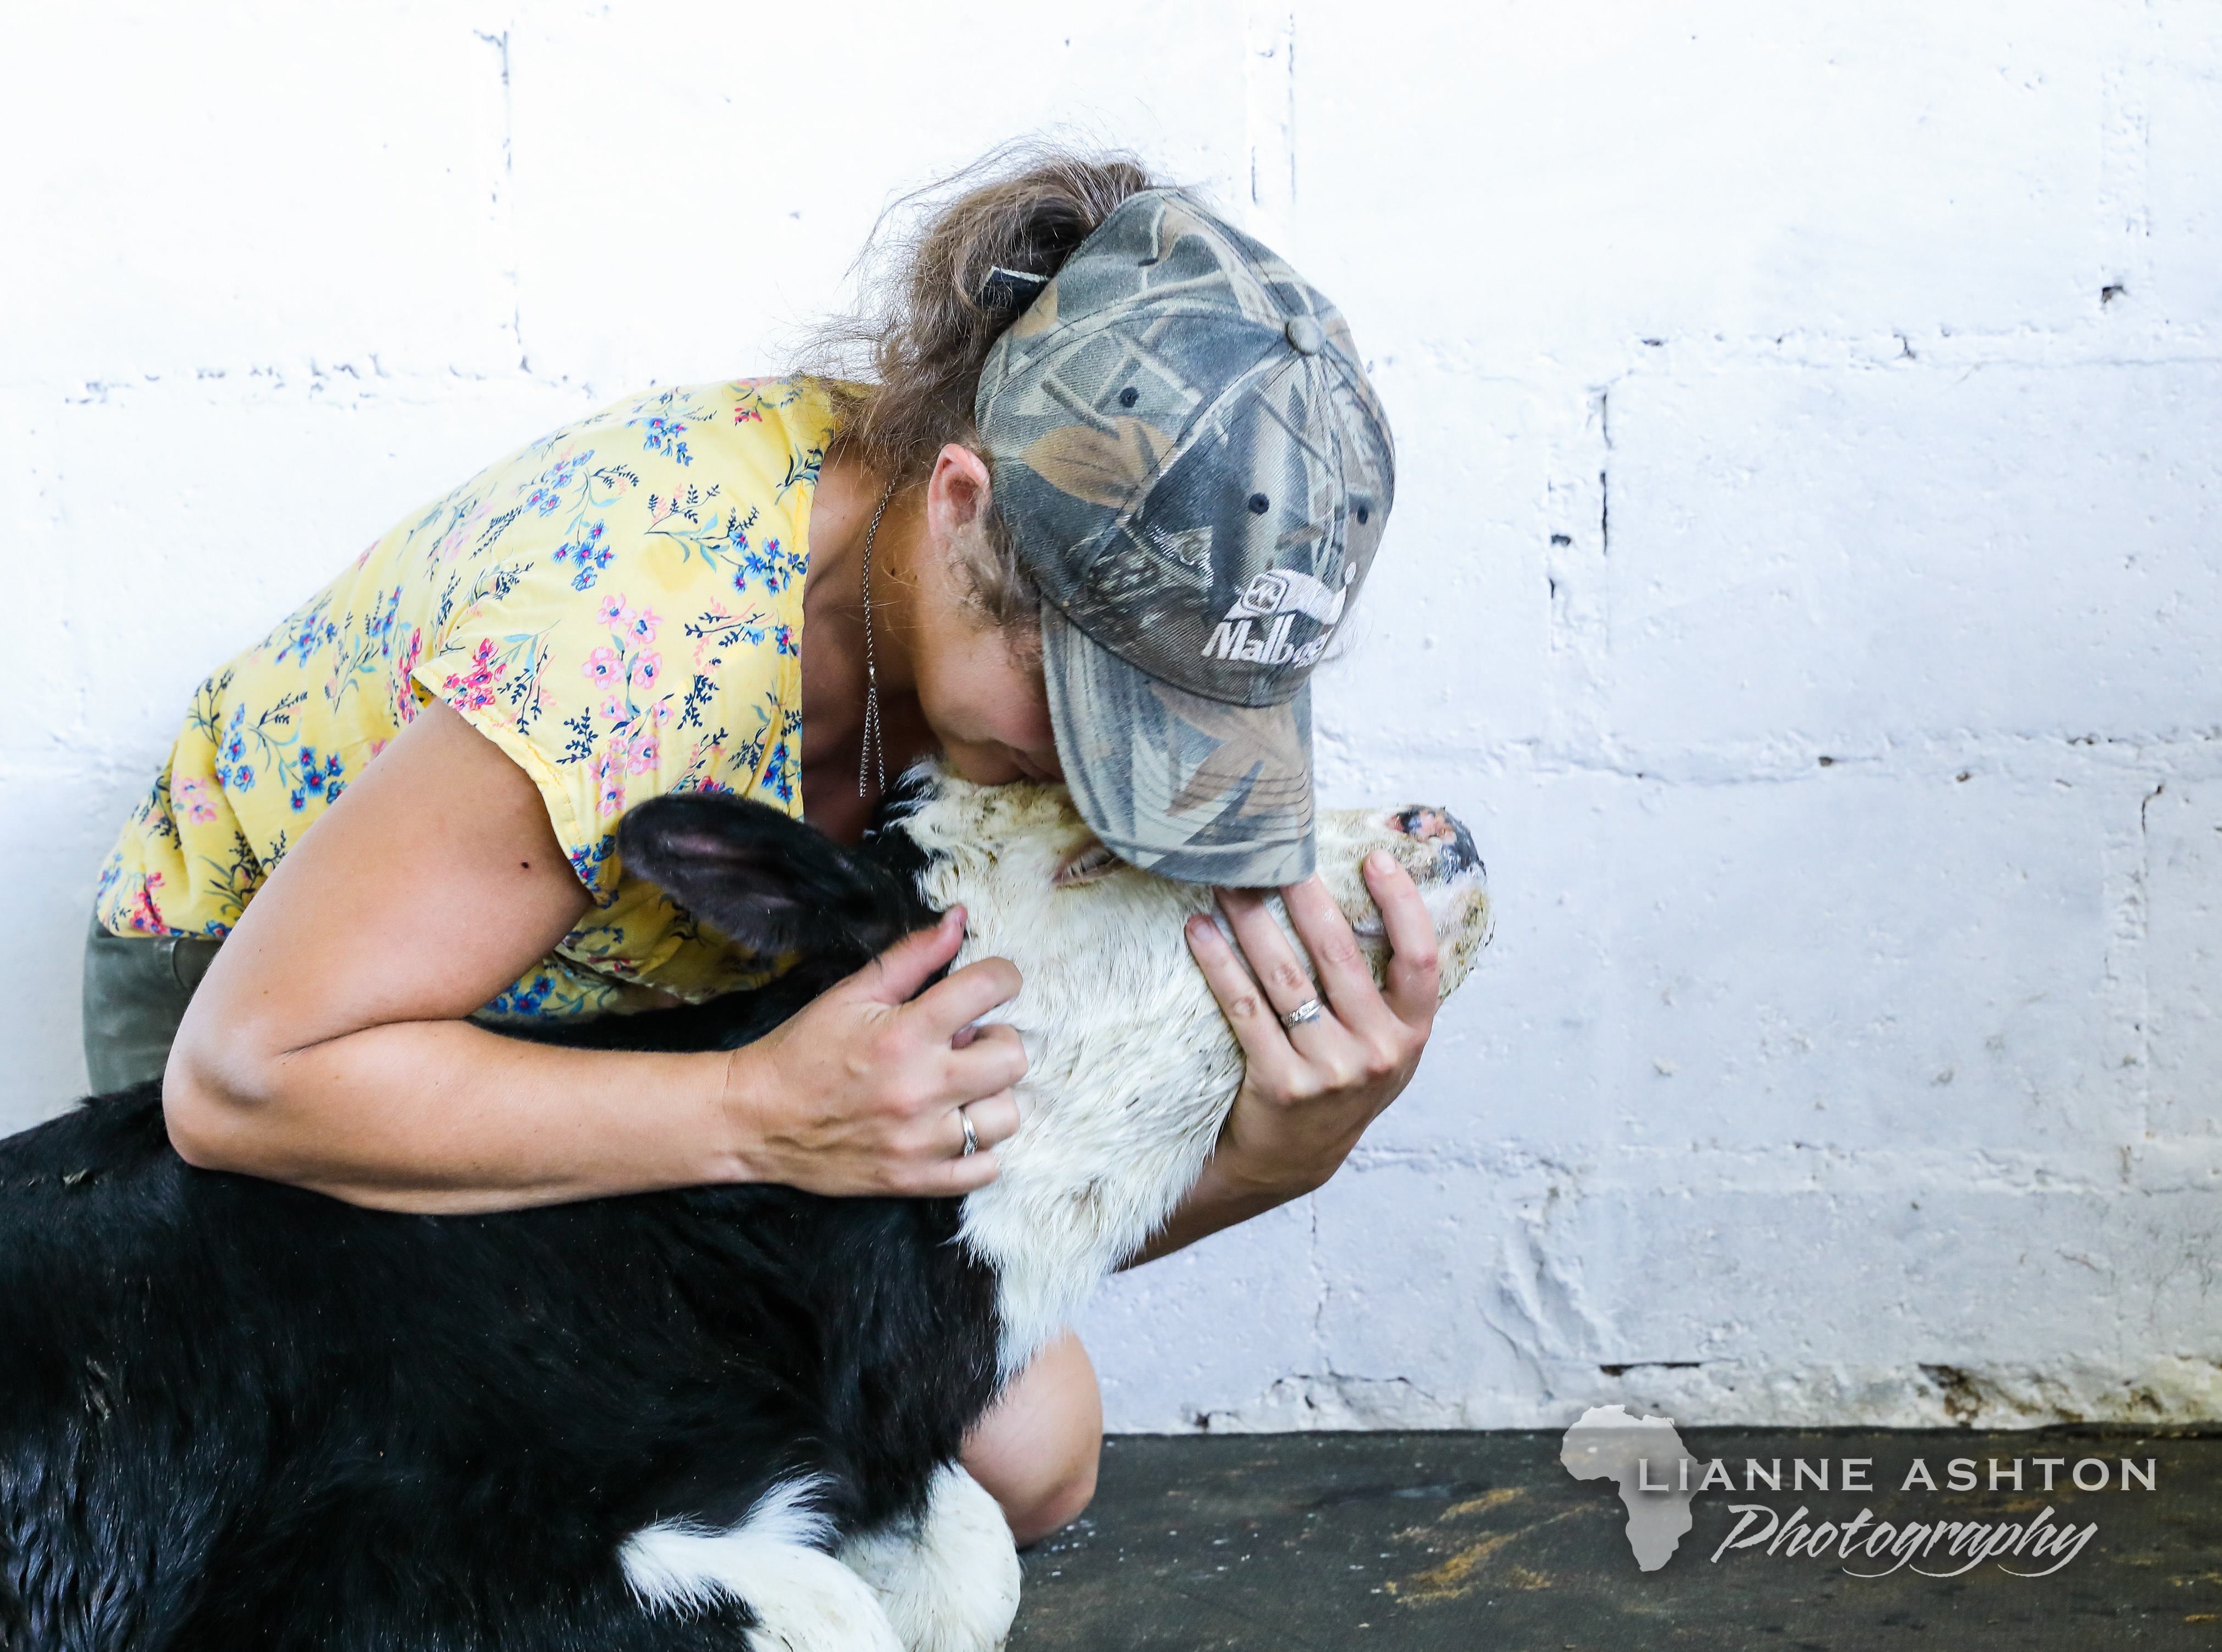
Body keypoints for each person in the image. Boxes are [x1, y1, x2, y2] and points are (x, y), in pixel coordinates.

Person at [83, 148, 1440, 1547]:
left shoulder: (953, 629)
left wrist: (1263, 1161)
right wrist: (754, 1113)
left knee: (1031, 1456)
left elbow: (967, 1259)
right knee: (516, 1507)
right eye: (1095, 701)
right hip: (303, 1033)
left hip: (654, 1029)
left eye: (1177, 720)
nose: (1112, 775)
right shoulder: (644, 644)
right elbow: (242, 1081)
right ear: (961, 506)